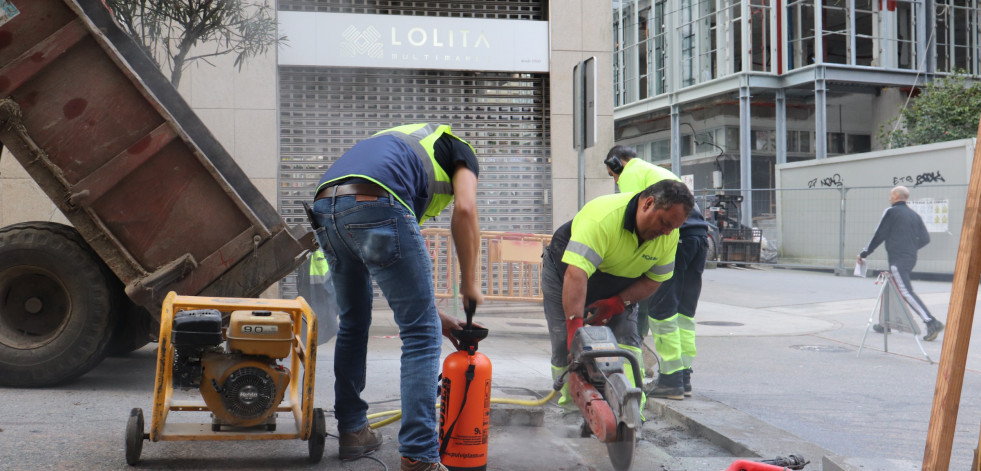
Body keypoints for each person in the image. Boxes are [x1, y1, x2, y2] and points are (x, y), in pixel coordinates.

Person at [309, 123, 483, 471]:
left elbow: (397, 275)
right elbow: (465, 210)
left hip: (327, 210)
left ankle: (353, 431)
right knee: (421, 335)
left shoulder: (398, 144)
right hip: (376, 202)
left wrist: (434, 314)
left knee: (354, 322)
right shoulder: (460, 150)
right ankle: (420, 455)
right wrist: (470, 283)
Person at [542, 179, 694, 410]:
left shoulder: (668, 235)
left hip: (620, 285)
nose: (666, 232)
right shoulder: (603, 216)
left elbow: (655, 279)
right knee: (565, 341)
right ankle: (571, 407)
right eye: (664, 223)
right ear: (648, 203)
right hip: (566, 274)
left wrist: (617, 303)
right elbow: (577, 273)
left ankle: (631, 413)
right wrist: (575, 326)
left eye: (673, 228)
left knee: (628, 342)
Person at [604, 145, 709, 400]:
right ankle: (683, 378)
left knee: (663, 311)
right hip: (699, 236)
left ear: (618, 163)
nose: (616, 181)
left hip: (675, 236)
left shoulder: (631, 173)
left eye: (612, 174)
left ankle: (671, 382)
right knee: (685, 312)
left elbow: (636, 219)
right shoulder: (655, 171)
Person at [858, 185, 943, 341]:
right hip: (910, 257)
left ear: (896, 196)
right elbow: (925, 239)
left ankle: (931, 322)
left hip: (898, 258)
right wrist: (910, 248)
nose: (889, 198)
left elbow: (880, 234)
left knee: (905, 291)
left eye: (891, 195)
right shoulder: (914, 215)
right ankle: (886, 324)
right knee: (891, 287)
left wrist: (864, 253)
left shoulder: (891, 212)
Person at [296, 249, 340, 344]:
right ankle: (307, 344)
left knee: (330, 326)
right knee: (316, 320)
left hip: (321, 284)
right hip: (315, 283)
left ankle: (309, 344)